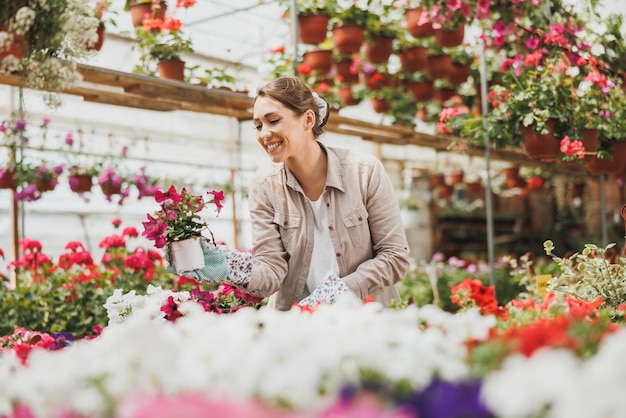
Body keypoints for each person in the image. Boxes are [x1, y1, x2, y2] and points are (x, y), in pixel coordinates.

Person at [168, 76, 410, 310]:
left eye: (273, 121)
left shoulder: (364, 172)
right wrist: (226, 265)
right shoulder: (265, 185)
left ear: (307, 120)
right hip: (297, 327)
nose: (264, 134)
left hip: (367, 321)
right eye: (258, 125)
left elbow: (395, 257)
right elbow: (271, 271)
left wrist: (339, 292)